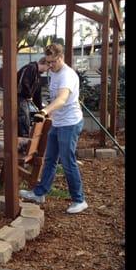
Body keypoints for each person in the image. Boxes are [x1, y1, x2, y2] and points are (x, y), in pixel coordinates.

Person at [19, 44, 88, 214]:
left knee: (67, 161)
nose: (49, 66)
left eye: (53, 62)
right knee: (49, 159)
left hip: (70, 123)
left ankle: (79, 200)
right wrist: (44, 109)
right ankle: (40, 193)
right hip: (58, 123)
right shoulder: (54, 73)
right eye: (48, 62)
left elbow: (62, 99)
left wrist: (44, 111)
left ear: (61, 57)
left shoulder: (67, 75)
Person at [17, 57, 49, 137]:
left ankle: (24, 135)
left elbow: (37, 94)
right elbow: (24, 82)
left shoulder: (37, 75)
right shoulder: (31, 68)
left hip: (24, 97)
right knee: (23, 116)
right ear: (45, 64)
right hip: (19, 96)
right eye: (48, 67)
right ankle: (23, 137)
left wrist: (41, 108)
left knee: (25, 116)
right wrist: (29, 95)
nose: (47, 70)